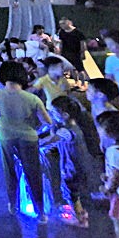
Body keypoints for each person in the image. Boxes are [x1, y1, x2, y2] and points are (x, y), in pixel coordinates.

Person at [0, 61, 52, 224]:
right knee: (33, 172)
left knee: (9, 170)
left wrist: (0, 123)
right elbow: (47, 121)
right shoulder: (32, 98)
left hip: (6, 136)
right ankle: (40, 212)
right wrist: (35, 129)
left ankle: (13, 205)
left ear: (3, 76)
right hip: (29, 137)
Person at [41, 96, 93, 228]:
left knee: (70, 192)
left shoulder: (66, 131)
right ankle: (80, 212)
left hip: (71, 167)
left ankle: (78, 219)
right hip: (77, 165)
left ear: (64, 115)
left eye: (53, 112)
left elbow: (50, 141)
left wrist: (34, 144)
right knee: (74, 192)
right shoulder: (74, 126)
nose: (51, 114)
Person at [57, 18, 88, 89]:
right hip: (66, 52)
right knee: (72, 69)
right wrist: (59, 52)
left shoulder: (77, 32)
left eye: (63, 23)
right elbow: (61, 43)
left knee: (80, 69)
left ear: (68, 23)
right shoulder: (62, 32)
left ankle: (83, 83)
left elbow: (82, 43)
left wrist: (83, 52)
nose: (62, 25)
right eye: (60, 24)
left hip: (76, 53)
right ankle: (76, 82)